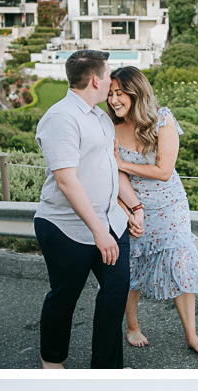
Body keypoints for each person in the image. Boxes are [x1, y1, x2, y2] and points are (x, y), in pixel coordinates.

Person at [34, 50, 145, 370]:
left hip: (112, 222)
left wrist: (134, 207)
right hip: (65, 227)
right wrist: (99, 231)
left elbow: (111, 167)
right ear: (96, 80)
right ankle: (52, 360)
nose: (112, 80)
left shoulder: (99, 116)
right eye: (109, 74)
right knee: (64, 296)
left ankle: (106, 370)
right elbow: (66, 181)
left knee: (114, 295)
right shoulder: (60, 118)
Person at [107, 67, 198, 355]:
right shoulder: (110, 129)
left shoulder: (163, 119)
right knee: (131, 269)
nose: (114, 100)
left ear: (135, 92)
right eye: (110, 94)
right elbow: (114, 178)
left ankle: (191, 334)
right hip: (132, 206)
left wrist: (122, 163)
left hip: (171, 206)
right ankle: (132, 326)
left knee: (180, 261)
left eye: (120, 93)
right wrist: (126, 210)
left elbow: (164, 171)